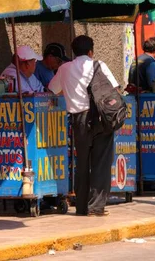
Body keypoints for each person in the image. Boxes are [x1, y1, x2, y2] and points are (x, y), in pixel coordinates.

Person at [48, 35, 119, 217]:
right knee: (101, 163)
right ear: (90, 51)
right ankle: (95, 207)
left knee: (82, 163)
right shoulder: (99, 65)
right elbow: (115, 89)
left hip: (79, 120)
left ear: (73, 52)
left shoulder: (64, 68)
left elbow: (52, 89)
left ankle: (80, 207)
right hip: (101, 119)